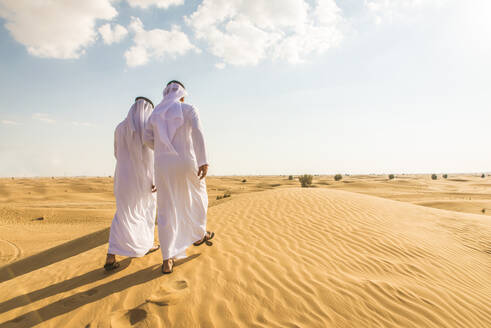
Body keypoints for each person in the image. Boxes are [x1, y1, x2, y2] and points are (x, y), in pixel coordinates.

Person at [143, 81, 214, 274]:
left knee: (166, 208)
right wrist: (203, 160)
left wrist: (161, 148)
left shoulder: (154, 114)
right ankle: (199, 234)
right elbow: (198, 133)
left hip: (163, 166)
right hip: (186, 162)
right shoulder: (189, 108)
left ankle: (167, 260)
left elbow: (146, 139)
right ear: (182, 95)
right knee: (197, 197)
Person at [104, 97, 159, 271]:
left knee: (123, 214)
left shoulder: (120, 128)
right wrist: (155, 179)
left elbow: (116, 152)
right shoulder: (147, 129)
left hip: (122, 178)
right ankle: (146, 244)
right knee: (145, 211)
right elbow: (152, 156)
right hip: (143, 179)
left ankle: (111, 255)